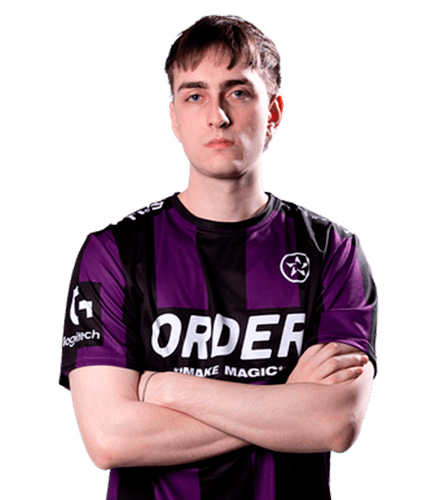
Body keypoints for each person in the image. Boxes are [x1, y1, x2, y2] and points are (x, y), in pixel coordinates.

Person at [58, 13, 379, 500]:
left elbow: (335, 423)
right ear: (174, 117)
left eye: (239, 92)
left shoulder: (334, 251)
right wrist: (287, 404)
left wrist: (168, 390)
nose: (218, 116)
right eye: (195, 95)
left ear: (273, 112)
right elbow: (109, 439)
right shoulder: (113, 251)